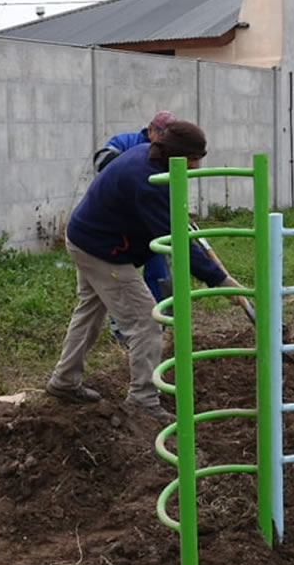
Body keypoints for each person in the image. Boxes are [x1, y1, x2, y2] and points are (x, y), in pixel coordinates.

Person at [47, 121, 240, 422]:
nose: (197, 165)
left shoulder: (150, 158)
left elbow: (174, 224)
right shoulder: (147, 180)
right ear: (180, 156)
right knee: (146, 322)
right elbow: (177, 241)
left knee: (90, 312)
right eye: (195, 159)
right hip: (101, 250)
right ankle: (142, 399)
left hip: (87, 237)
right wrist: (219, 278)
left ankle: (64, 381)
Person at [94, 111, 178, 343]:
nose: (164, 141)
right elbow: (101, 162)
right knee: (118, 279)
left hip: (149, 224)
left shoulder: (169, 152)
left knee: (158, 270)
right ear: (150, 130)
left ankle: (161, 320)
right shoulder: (126, 142)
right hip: (120, 226)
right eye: (161, 135)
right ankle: (123, 328)